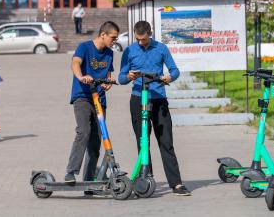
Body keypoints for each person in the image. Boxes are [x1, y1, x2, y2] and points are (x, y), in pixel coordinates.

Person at [118, 20, 191, 196]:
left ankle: (176, 184)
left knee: (166, 142)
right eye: (138, 39)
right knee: (143, 142)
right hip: (138, 100)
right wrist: (128, 76)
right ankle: (146, 179)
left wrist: (169, 78)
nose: (141, 43)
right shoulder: (129, 51)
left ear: (150, 34)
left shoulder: (161, 48)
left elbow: (175, 70)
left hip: (158, 100)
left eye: (144, 39)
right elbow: (121, 78)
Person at [64, 21, 119, 190]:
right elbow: (75, 63)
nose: (114, 41)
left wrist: (108, 83)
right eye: (113, 37)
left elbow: (108, 75)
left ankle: (88, 182)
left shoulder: (110, 53)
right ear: (103, 34)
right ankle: (71, 172)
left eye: (116, 38)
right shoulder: (85, 47)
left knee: (96, 142)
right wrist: (81, 76)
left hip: (99, 99)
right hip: (82, 96)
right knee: (84, 131)